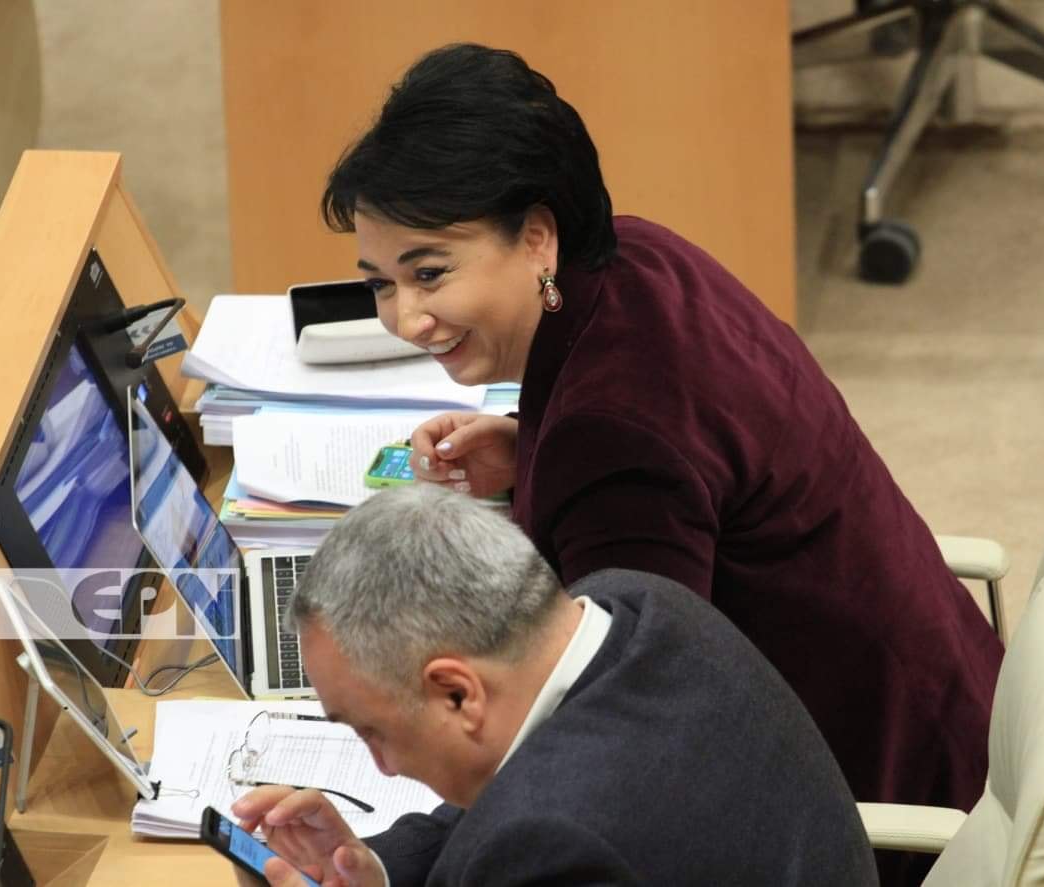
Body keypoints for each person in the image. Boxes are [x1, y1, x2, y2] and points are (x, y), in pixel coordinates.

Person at [319, 42, 1002, 880]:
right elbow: (684, 438)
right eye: (381, 284)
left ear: (537, 238)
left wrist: (397, 862)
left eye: (430, 273)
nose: (407, 318)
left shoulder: (613, 435)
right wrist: (534, 444)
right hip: (955, 713)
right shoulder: (638, 259)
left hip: (878, 809)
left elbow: (613, 729)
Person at [231, 484, 877, 887]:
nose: (384, 766)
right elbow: (518, 782)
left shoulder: (545, 848)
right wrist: (376, 870)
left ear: (458, 693)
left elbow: (531, 821)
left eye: (374, 730)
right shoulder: (637, 603)